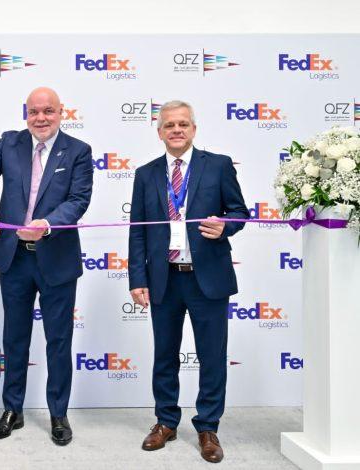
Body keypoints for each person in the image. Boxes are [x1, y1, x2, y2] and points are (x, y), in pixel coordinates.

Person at [0, 87, 93, 446]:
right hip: (15, 258)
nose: (40, 118)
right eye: (33, 112)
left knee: (59, 341)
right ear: (26, 114)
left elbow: (78, 200)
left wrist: (47, 224)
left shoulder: (78, 151)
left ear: (61, 112)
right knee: (14, 338)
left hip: (56, 258)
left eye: (48, 111)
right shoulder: (9, 143)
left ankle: (58, 414)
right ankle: (13, 410)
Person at [127, 100, 249, 464]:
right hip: (164, 279)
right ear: (160, 132)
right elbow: (137, 231)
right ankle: (166, 421)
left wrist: (226, 226)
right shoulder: (145, 174)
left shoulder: (219, 165)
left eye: (183, 124)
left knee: (212, 356)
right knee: (164, 355)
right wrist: (137, 278)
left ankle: (208, 426)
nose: (176, 130)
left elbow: (240, 212)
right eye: (169, 125)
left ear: (193, 129)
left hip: (207, 278)